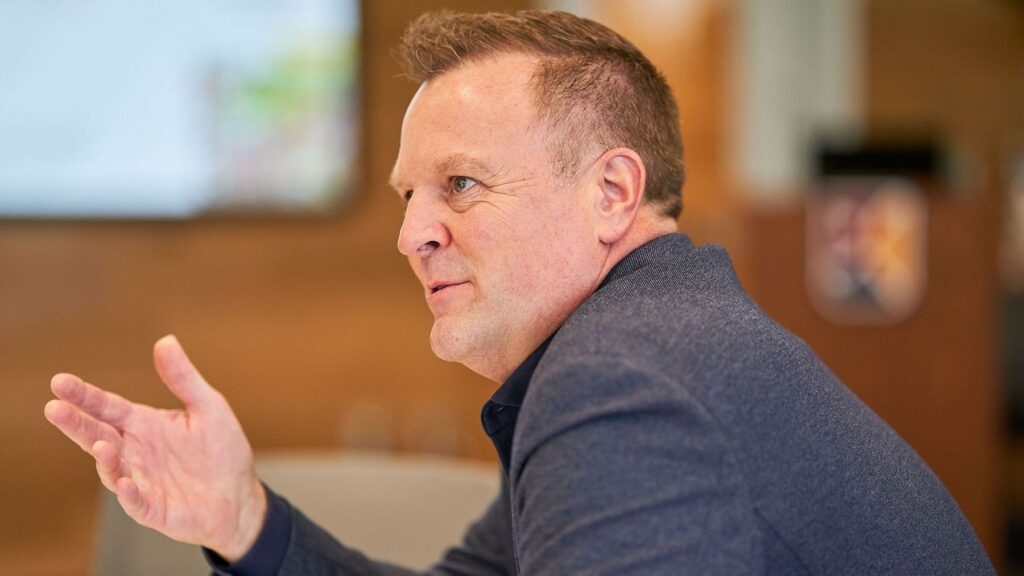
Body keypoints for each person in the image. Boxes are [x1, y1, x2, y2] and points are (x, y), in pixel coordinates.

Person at [45, 9, 994, 575]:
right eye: (408, 196)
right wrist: (241, 519)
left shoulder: (623, 385)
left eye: (459, 185)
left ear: (612, 193)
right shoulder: (642, 345)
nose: (412, 234)